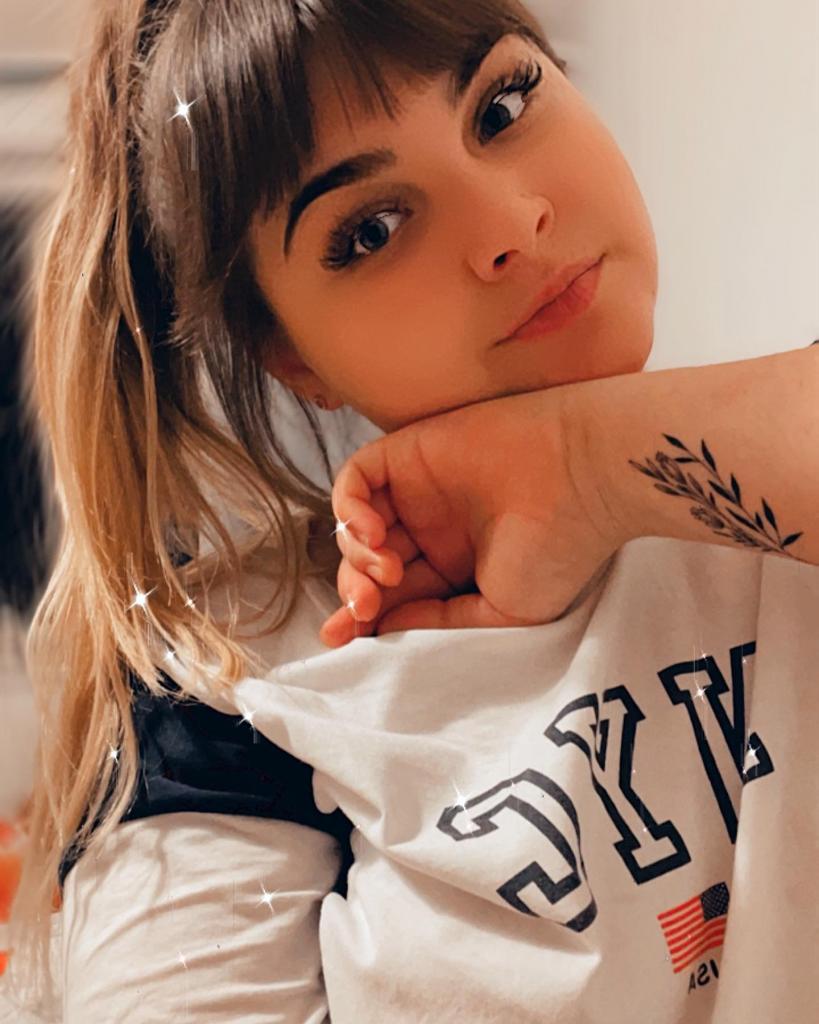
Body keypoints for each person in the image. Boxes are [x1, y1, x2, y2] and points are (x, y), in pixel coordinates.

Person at [6, 0, 817, 1021]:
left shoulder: (774, 475)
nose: (510, 223)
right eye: (372, 230)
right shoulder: (234, 685)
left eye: (502, 105)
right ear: (290, 356)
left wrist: (586, 465)